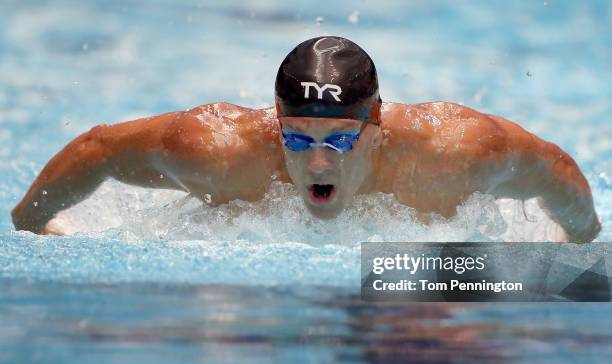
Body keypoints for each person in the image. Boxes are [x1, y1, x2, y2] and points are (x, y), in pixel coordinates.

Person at [11, 36, 601, 242]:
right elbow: (99, 148)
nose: (318, 159)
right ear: (275, 120)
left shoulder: (454, 155)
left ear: (376, 126)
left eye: (341, 141)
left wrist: (580, 241)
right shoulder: (220, 152)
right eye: (296, 140)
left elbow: (555, 167)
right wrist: (30, 224)